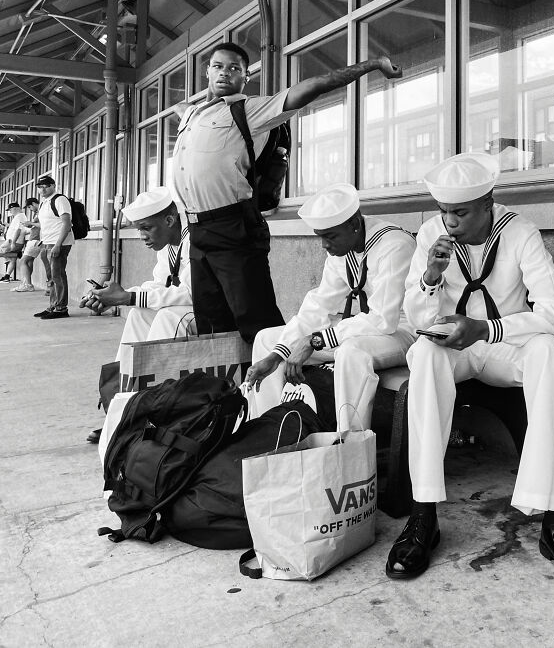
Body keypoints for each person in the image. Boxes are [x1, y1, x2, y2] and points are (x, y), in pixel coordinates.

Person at [385, 153, 554, 591]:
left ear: (488, 202)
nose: (449, 221)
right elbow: (413, 321)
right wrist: (430, 278)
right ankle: (423, 517)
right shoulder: (430, 235)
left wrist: (490, 328)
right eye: (444, 211)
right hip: (455, 352)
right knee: (424, 356)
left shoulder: (520, 232)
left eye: (460, 212)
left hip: (506, 349)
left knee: (549, 352)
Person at [170, 42, 402, 344]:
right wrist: (184, 109)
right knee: (212, 323)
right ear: (207, 71)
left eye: (234, 68)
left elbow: (314, 86)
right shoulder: (192, 115)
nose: (225, 73)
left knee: (256, 320)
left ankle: (278, 377)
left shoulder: (250, 110)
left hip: (233, 226)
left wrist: (373, 64)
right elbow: (179, 109)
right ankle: (226, 390)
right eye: (218, 66)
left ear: (245, 77)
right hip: (198, 229)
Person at [245, 184, 416, 429]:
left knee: (351, 352)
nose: (324, 245)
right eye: (320, 236)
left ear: (355, 224)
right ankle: (269, 433)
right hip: (366, 327)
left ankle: (352, 442)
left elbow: (383, 320)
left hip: (402, 330)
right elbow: (319, 305)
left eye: (330, 236)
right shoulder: (342, 250)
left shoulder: (394, 245)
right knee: (267, 339)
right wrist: (277, 356)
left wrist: (315, 340)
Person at [80, 187, 193, 362]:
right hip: (189, 305)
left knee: (168, 317)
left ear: (169, 220)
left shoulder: (195, 238)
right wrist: (114, 296)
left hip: (211, 310)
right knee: (139, 313)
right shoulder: (168, 244)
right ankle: (127, 380)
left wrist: (128, 298)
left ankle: (158, 385)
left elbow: (190, 293)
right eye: (139, 229)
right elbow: (160, 285)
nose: (142, 236)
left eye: (146, 228)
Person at [33, 176, 73, 319]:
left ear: (53, 186)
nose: (42, 189)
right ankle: (53, 306)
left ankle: (61, 308)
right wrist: (42, 242)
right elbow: (46, 225)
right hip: (47, 243)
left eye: (46, 186)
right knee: (52, 277)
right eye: (40, 186)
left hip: (59, 244)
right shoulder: (44, 203)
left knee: (58, 276)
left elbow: (66, 224)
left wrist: (58, 244)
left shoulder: (60, 200)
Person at [12, 198, 41, 292]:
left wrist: (31, 223)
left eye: (29, 207)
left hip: (36, 239)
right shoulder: (38, 213)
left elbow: (43, 225)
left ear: (33, 204)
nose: (30, 209)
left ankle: (28, 284)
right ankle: (26, 282)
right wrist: (30, 225)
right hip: (35, 238)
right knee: (29, 261)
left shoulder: (41, 212)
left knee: (23, 261)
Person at [0, 202, 27, 282]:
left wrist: (13, 243)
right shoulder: (19, 217)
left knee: (3, 252)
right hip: (13, 241)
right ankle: (7, 276)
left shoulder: (20, 217)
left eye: (10, 210)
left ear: (15, 208)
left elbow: (18, 230)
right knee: (12, 259)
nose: (10, 212)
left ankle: (18, 254)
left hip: (13, 241)